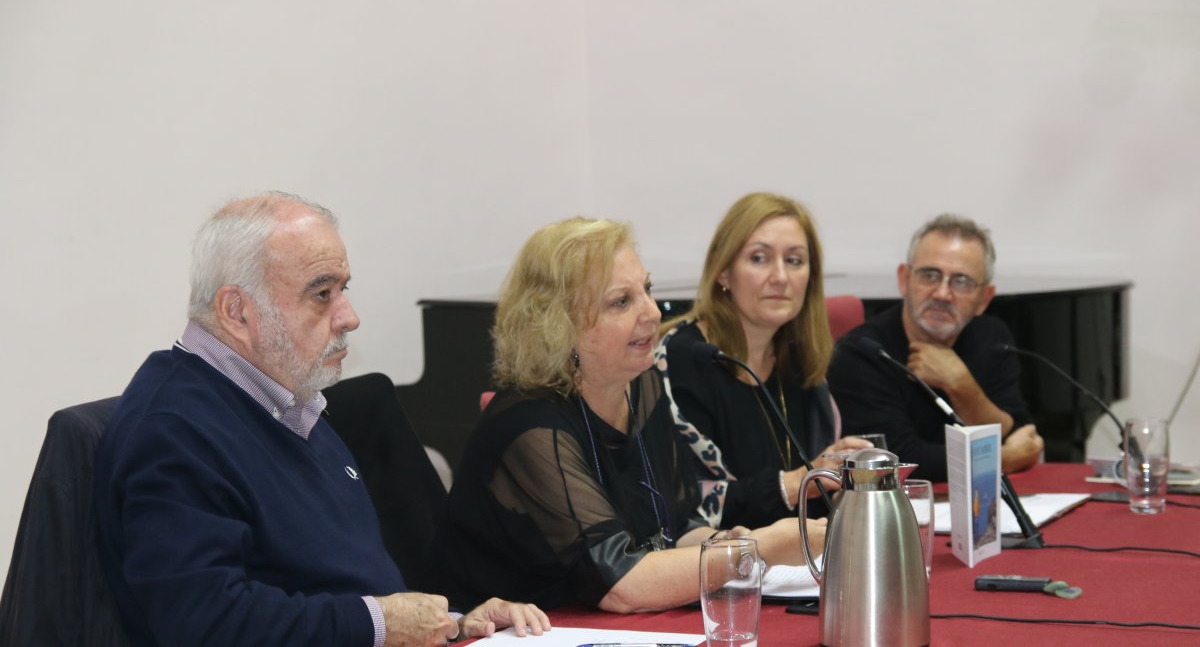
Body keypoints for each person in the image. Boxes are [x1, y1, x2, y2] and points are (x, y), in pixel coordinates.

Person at [93, 192, 549, 647]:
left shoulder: (284, 397)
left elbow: (343, 584)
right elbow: (204, 622)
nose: (349, 317)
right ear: (237, 311)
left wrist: (453, 622)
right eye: (321, 294)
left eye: (342, 290)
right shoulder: (176, 430)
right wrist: (381, 624)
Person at [431, 217, 824, 613]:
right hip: (511, 633)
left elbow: (680, 526)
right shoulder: (528, 426)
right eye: (622, 301)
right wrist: (761, 550)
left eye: (647, 289)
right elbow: (620, 584)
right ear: (556, 325)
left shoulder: (644, 386)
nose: (652, 312)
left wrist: (727, 544)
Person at [656, 193, 870, 529]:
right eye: (759, 258)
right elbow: (685, 505)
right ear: (724, 272)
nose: (781, 276)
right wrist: (797, 482)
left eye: (795, 261)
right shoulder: (683, 359)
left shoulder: (799, 359)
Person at [826, 213, 1044, 482]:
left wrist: (962, 386)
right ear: (904, 280)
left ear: (984, 299)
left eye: (961, 281)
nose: (942, 293)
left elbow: (1021, 435)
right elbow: (895, 459)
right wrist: (1001, 459)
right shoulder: (862, 353)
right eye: (930, 275)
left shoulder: (992, 337)